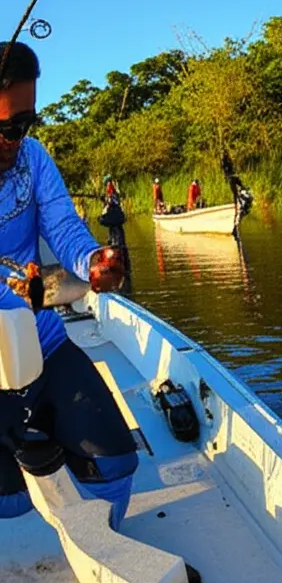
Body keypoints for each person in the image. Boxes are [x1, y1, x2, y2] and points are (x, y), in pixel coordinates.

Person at [0, 42, 137, 531]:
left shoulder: (33, 159)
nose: (16, 138)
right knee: (12, 499)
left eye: (24, 125)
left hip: (43, 344)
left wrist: (96, 262)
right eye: (6, 128)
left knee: (116, 465)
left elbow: (65, 230)